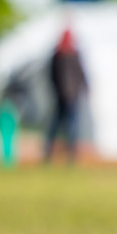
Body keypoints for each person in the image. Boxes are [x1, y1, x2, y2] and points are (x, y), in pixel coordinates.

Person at [44, 28, 88, 163]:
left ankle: (61, 154)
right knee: (67, 125)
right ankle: (63, 155)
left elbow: (79, 73)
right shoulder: (66, 55)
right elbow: (80, 73)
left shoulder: (60, 55)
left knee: (62, 126)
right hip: (68, 96)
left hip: (66, 95)